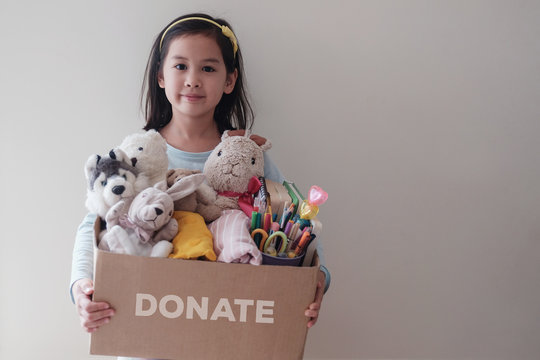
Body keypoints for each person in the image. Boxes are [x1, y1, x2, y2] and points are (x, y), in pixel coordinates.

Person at [70, 13, 331, 357]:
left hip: (228, 336)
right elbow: (95, 224)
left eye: (208, 68)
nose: (193, 80)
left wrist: (316, 281)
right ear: (161, 76)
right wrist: (82, 288)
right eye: (180, 66)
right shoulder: (136, 155)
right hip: (148, 336)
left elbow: (298, 225)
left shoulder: (251, 158)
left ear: (229, 80)